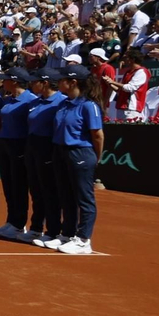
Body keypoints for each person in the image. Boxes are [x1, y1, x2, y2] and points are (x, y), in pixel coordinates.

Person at [50, 64, 105, 255]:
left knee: (84, 198)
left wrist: (96, 157)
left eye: (62, 79)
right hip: (61, 152)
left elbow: (97, 135)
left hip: (81, 153)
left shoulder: (89, 106)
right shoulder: (64, 103)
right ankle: (67, 234)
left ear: (72, 82)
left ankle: (83, 240)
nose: (58, 82)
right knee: (66, 196)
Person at [0, 68, 37, 241]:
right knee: (9, 185)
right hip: (4, 143)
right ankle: (12, 221)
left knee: (18, 185)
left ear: (16, 81)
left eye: (6, 80)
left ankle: (19, 224)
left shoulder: (30, 101)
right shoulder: (7, 100)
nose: (3, 82)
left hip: (19, 145)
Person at [23, 69, 66, 249]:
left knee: (50, 192)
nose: (32, 84)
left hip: (48, 148)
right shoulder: (35, 101)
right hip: (32, 146)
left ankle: (54, 231)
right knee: (36, 191)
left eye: (35, 81)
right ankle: (36, 227)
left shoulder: (61, 102)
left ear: (46, 83)